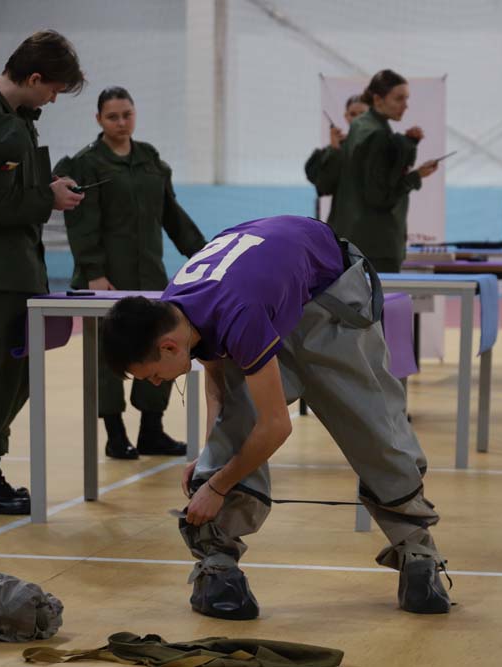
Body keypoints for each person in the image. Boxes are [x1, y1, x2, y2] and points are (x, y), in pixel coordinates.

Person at [102, 215, 452, 620]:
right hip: (266, 288)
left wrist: (217, 484)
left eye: (153, 376)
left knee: (373, 426)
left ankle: (417, 551)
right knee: (235, 425)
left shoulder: (236, 313)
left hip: (330, 294)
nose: (157, 383)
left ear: (168, 347)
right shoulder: (175, 311)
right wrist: (210, 453)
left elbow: (276, 426)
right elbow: (216, 377)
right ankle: (218, 562)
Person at [0, 30, 85, 515]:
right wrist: (47, 198)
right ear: (33, 77)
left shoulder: (13, 118)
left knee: (20, 371)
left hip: (17, 265)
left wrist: (48, 186)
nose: (53, 99)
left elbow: (8, 188)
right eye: (53, 89)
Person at [54, 87, 207, 460]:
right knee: (109, 357)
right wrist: (94, 272)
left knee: (161, 347)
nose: (121, 123)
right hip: (107, 279)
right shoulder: (86, 163)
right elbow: (82, 223)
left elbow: (171, 213)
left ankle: (152, 431)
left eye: (127, 115)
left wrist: (203, 255)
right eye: (112, 117)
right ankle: (115, 434)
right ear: (98, 119)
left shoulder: (149, 158)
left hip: (150, 276)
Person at [327, 70, 439, 272]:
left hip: (352, 239)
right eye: (399, 98)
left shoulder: (360, 126)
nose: (405, 105)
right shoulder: (378, 135)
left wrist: (408, 143)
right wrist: (416, 176)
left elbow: (373, 173)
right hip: (376, 247)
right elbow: (380, 196)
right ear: (378, 99)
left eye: (406, 99)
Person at [304, 94, 368, 198]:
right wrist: (334, 148)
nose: (358, 119)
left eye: (363, 114)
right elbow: (324, 187)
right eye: (353, 114)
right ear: (346, 116)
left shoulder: (383, 143)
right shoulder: (337, 147)